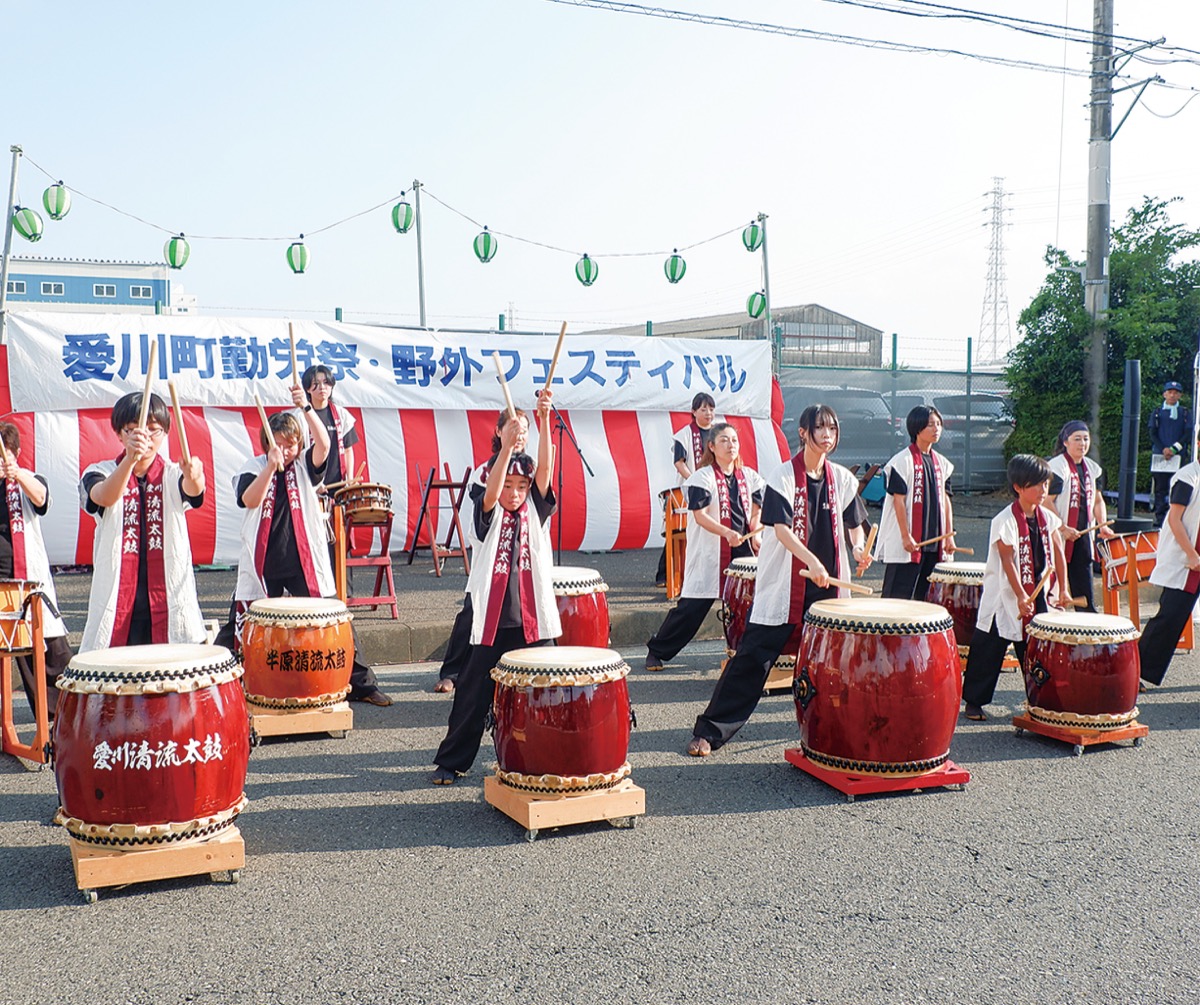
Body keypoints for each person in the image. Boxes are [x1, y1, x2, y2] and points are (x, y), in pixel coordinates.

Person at [685, 404, 869, 757]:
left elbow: (854, 524)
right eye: (820, 428)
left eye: (832, 428)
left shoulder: (842, 478)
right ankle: (710, 730)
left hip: (830, 588)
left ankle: (836, 734)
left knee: (836, 664)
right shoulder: (782, 476)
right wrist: (813, 561)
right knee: (753, 660)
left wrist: (859, 549)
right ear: (803, 432)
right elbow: (782, 530)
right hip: (787, 587)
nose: (828, 434)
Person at [216, 386, 391, 706]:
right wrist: (270, 465)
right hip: (263, 562)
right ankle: (218, 683)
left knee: (333, 617)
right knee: (238, 623)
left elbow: (325, 444)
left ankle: (363, 684)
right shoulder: (253, 466)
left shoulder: (305, 467)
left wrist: (307, 409)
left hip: (304, 561)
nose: (284, 449)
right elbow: (248, 499)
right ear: (267, 444)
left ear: (299, 446)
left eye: (290, 444)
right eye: (277, 443)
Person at [431, 390, 559, 784]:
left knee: (548, 689)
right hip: (492, 614)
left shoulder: (534, 506)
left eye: (522, 487)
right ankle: (451, 761)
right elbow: (491, 488)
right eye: (510, 486)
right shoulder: (488, 503)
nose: (516, 492)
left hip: (532, 613)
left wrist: (543, 421)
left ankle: (549, 757)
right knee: (472, 692)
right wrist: (506, 449)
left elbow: (545, 472)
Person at [79, 392, 207, 652]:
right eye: (133, 430)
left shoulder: (172, 474)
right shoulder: (99, 471)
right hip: (117, 603)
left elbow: (194, 492)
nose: (145, 438)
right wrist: (130, 459)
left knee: (170, 680)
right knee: (117, 682)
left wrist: (195, 475)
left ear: (166, 433)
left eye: (153, 430)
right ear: (119, 433)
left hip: (167, 602)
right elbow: (104, 496)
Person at [645, 423, 763, 672]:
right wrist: (727, 532)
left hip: (741, 550)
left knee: (754, 603)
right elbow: (699, 516)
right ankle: (657, 650)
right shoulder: (702, 477)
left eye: (734, 440)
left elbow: (756, 506)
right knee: (691, 609)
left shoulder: (749, 476)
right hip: (711, 552)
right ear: (711, 446)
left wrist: (755, 529)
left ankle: (746, 653)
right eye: (724, 440)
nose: (731, 445)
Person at [961, 455, 1070, 722]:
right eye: (1037, 485)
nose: (1043, 491)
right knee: (988, 649)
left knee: (1036, 651)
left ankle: (1040, 701)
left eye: (1046, 485)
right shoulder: (1004, 520)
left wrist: (1064, 589)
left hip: (1038, 596)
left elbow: (1059, 554)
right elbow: (1007, 560)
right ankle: (974, 702)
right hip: (1004, 597)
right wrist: (1021, 595)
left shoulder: (1049, 518)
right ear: (1019, 487)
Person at [433, 407, 531, 694]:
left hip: (521, 558)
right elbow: (483, 510)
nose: (519, 435)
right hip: (492, 556)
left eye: (524, 430)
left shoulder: (532, 469)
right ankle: (452, 671)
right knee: (472, 612)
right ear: (499, 432)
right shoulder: (484, 472)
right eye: (513, 429)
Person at [0, 422, 71, 717]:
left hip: (27, 584)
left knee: (52, 655)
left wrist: (17, 474)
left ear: (15, 453)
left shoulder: (28, 480)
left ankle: (59, 720)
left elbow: (41, 497)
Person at [875, 405, 956, 602]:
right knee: (896, 596)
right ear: (916, 428)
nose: (936, 429)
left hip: (934, 541)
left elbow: (946, 500)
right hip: (910, 542)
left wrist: (949, 536)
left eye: (938, 424)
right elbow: (898, 500)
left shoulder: (942, 464)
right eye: (930, 425)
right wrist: (905, 536)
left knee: (927, 597)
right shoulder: (901, 462)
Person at [1138, 429, 1200, 688]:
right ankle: (1134, 671)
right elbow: (1174, 519)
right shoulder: (1188, 477)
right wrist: (1192, 553)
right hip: (1188, 560)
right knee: (1170, 617)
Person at [1045, 420, 1114, 612]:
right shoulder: (1057, 467)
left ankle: (1087, 619)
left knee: (1083, 585)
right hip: (1058, 534)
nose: (1082, 443)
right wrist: (1062, 527)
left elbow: (1098, 500)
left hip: (1083, 534)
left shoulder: (1092, 468)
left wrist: (1102, 525)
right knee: (1053, 582)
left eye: (1085, 439)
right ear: (1065, 442)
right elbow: (1046, 501)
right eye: (1077, 439)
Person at [656, 392, 717, 588]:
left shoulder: (719, 433)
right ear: (693, 411)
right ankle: (664, 574)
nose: (708, 413)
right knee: (680, 530)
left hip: (714, 489)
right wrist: (695, 480)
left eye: (711, 409)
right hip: (690, 489)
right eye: (703, 409)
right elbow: (679, 462)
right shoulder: (684, 434)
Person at [301, 364, 359, 488]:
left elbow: (348, 449)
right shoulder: (300, 417)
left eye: (326, 382)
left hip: (339, 486)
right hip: (310, 487)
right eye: (316, 383)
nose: (322, 387)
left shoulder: (342, 415)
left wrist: (350, 479)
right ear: (307, 388)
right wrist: (313, 485)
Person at [1149, 380, 1192, 527]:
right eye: (1170, 392)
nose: (1172, 395)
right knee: (1160, 488)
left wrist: (1174, 448)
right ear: (1164, 394)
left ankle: (1176, 517)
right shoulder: (1157, 412)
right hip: (1160, 455)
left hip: (1178, 455)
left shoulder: (1185, 413)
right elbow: (1152, 433)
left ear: (1180, 395)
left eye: (1176, 393)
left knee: (1177, 486)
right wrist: (1163, 449)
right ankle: (1160, 518)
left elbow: (1187, 433)